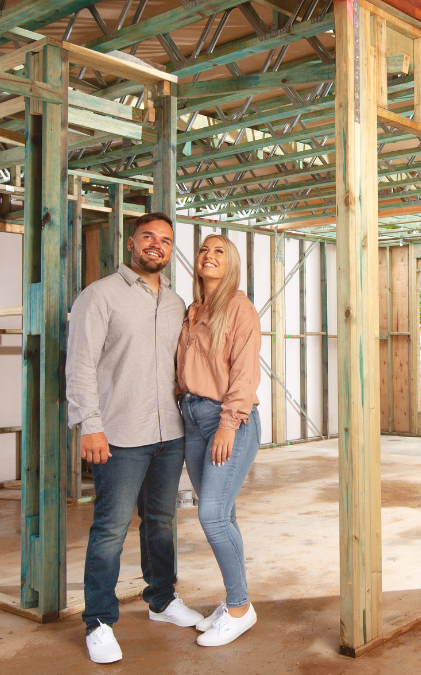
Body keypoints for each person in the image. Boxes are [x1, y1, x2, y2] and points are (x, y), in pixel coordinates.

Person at [66, 213, 205, 664]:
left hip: (170, 433)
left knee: (161, 523)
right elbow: (81, 365)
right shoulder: (100, 296)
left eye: (165, 240)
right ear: (131, 243)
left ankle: (162, 600)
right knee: (109, 530)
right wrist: (90, 425)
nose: (156, 245)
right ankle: (99, 620)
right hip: (119, 433)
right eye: (148, 237)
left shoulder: (176, 302)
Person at [176, 234, 263, 647]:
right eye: (203, 250)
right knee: (223, 515)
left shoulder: (239, 309)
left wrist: (228, 424)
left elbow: (245, 374)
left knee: (210, 515)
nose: (208, 256)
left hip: (227, 420)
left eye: (219, 252)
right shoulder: (193, 311)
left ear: (232, 264)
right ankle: (234, 602)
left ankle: (241, 607)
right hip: (192, 419)